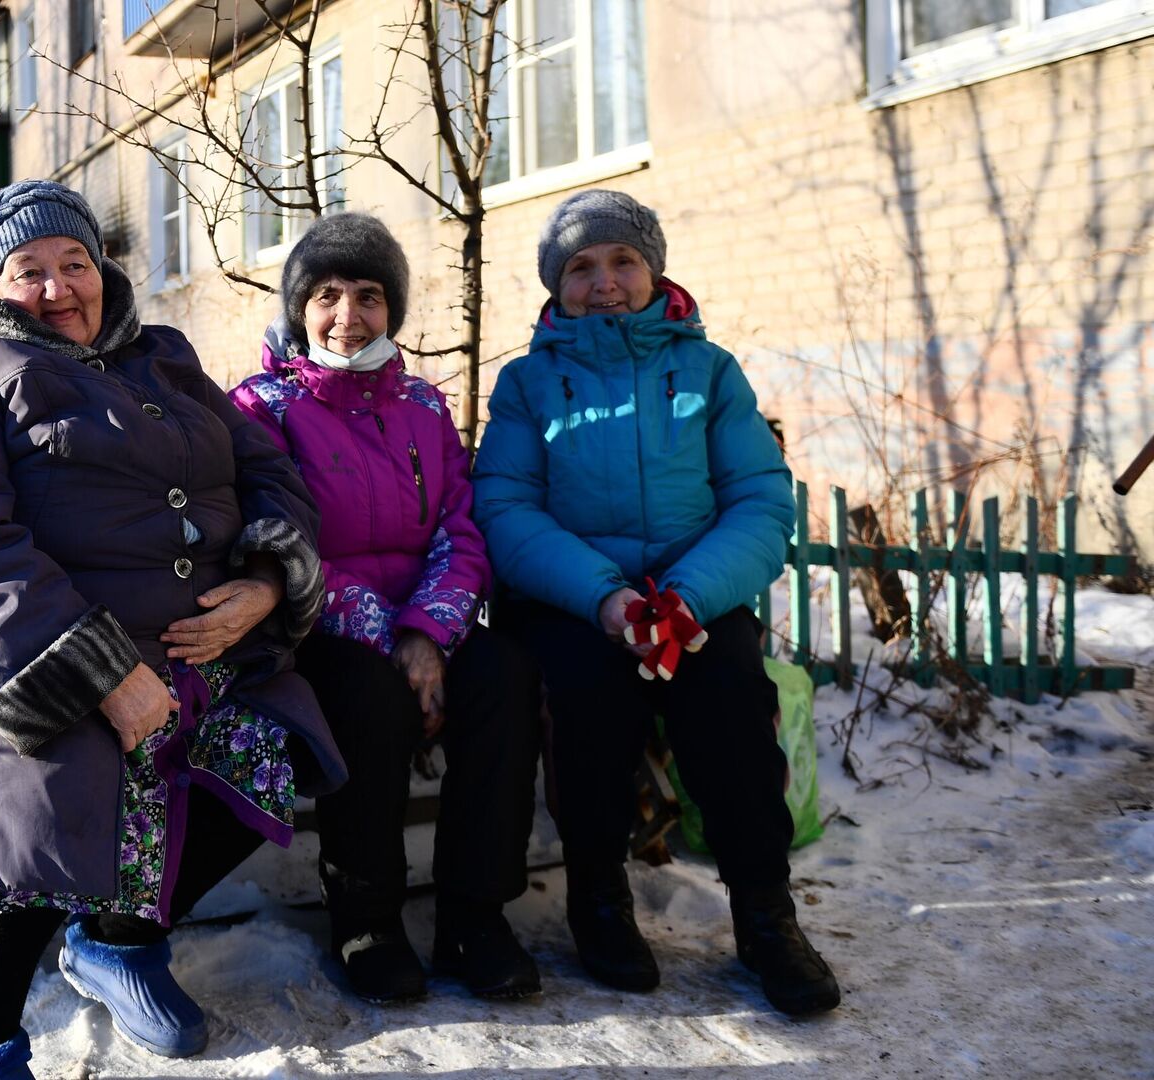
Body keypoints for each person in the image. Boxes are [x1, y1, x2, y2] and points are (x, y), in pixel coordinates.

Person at [0, 180, 343, 1079]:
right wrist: (103, 675)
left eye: (73, 263)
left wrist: (268, 582)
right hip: (0, 650)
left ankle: (120, 940)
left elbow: (269, 470)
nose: (58, 287)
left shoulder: (161, 356)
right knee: (43, 794)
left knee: (275, 746)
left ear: (101, 270)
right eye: (27, 270)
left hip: (186, 646)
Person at [471, 189, 841, 1016]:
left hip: (693, 597)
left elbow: (758, 501)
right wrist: (607, 602)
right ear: (555, 284)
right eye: (581, 266)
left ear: (653, 269)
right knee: (586, 693)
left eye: (623, 260)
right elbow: (507, 509)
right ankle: (598, 898)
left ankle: (765, 915)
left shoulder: (708, 371)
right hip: (576, 599)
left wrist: (685, 599)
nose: (604, 281)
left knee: (733, 692)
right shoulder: (529, 384)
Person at [230, 214, 544, 1003]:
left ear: (392, 309)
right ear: (300, 306)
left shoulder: (425, 407)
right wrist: (383, 634)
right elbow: (276, 537)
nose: (347, 316)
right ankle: (366, 915)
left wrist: (426, 634)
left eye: (368, 296)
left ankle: (476, 914)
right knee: (367, 698)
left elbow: (459, 530)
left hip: (421, 627)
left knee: (503, 673)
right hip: (317, 631)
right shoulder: (260, 406)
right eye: (327, 295)